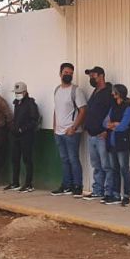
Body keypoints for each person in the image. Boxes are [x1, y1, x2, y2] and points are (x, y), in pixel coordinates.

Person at [50, 63, 87, 197]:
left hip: (71, 132)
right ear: (60, 74)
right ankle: (66, 185)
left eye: (71, 73)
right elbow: (56, 109)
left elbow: (83, 110)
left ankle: (77, 186)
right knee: (64, 159)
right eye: (66, 72)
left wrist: (74, 127)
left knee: (73, 159)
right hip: (59, 132)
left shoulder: (76, 91)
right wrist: (54, 127)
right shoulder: (57, 90)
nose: (68, 75)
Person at [82, 66, 114, 201]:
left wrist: (107, 130)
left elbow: (113, 112)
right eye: (90, 76)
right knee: (96, 165)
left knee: (107, 165)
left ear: (101, 76)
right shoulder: (95, 91)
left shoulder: (109, 92)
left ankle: (109, 193)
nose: (91, 79)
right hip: (91, 135)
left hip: (102, 135)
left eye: (93, 76)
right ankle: (97, 190)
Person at [5, 82, 40, 193]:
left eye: (19, 92)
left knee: (27, 160)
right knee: (15, 159)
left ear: (25, 92)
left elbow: (34, 120)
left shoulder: (30, 103)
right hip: (16, 136)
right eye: (16, 93)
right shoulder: (17, 103)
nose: (17, 94)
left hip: (27, 136)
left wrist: (23, 129)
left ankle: (28, 184)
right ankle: (15, 182)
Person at [104, 84, 130, 207]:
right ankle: (116, 194)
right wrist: (113, 124)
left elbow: (124, 126)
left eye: (114, 93)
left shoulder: (128, 108)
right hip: (111, 143)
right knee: (114, 169)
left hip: (122, 143)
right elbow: (105, 122)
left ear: (119, 94)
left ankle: (126, 196)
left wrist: (114, 125)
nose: (112, 95)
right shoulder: (113, 107)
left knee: (124, 169)